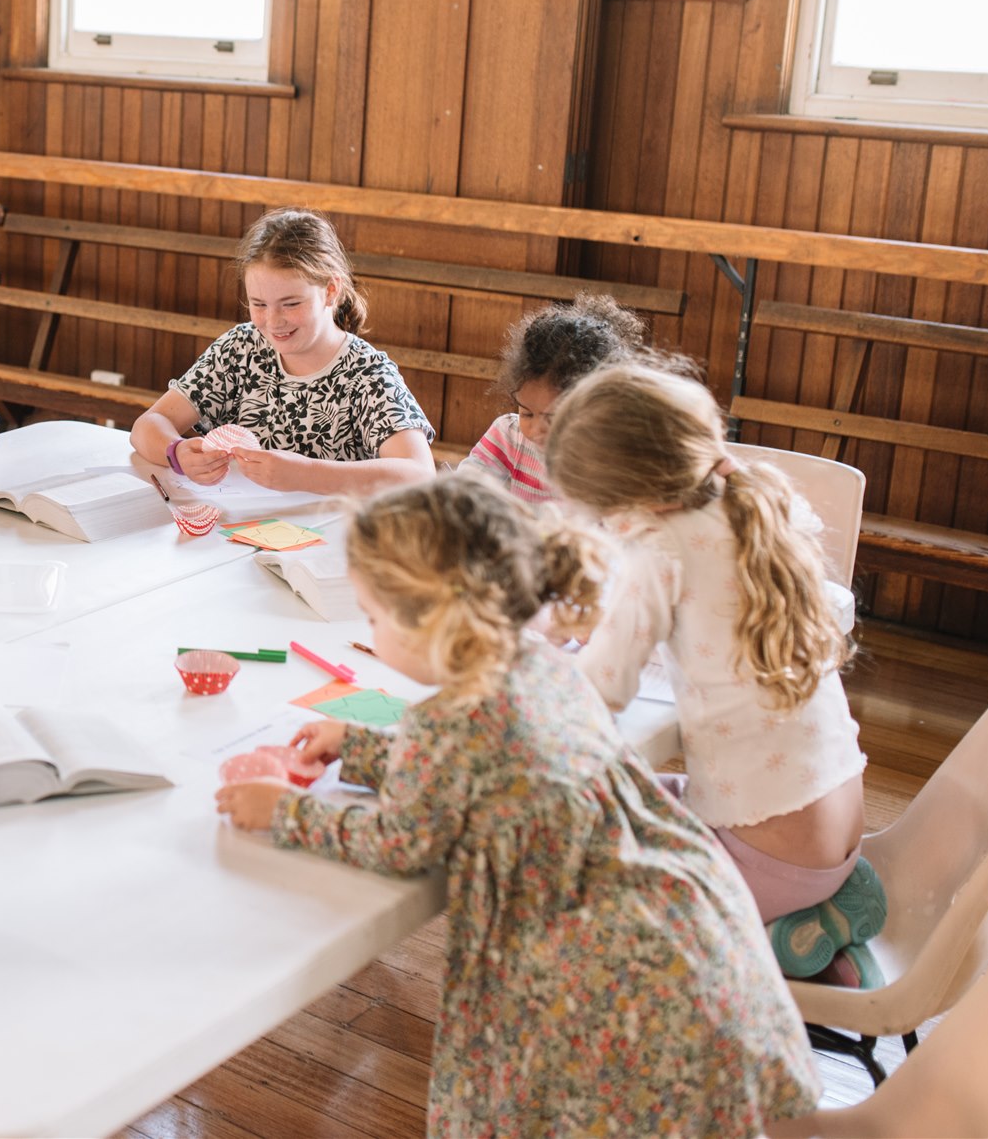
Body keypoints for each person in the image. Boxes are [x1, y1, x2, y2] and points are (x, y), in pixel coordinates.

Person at [214, 476, 817, 1137]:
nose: (370, 630)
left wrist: (284, 811)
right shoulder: (543, 664)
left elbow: (405, 840)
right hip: (679, 924)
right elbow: (492, 775)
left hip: (605, 971)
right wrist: (359, 747)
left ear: (435, 618)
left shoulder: (447, 721)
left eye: (375, 616)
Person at [545, 364, 882, 983]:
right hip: (838, 833)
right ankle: (815, 918)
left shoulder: (660, 552)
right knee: (651, 804)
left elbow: (598, 692)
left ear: (637, 497)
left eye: (600, 510)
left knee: (582, 867)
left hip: (770, 858)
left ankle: (764, 928)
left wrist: (531, 659)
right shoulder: (750, 505)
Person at [129, 209, 434, 497]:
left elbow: (419, 475)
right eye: (259, 304)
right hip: (239, 531)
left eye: (291, 304)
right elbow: (147, 425)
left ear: (330, 291)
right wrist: (177, 452)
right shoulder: (241, 349)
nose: (273, 321)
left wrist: (307, 475)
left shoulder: (366, 373)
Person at [459, 293, 677, 503]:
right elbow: (466, 488)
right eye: (527, 412)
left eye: (553, 418)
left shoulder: (607, 462)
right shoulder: (508, 437)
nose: (535, 430)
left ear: (594, 408)